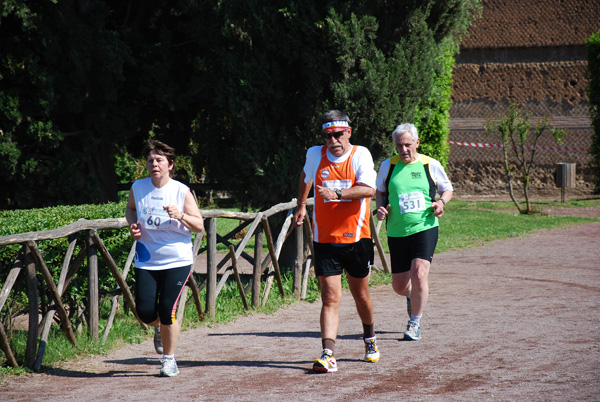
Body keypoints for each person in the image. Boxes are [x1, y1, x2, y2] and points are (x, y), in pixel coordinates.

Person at [293, 110, 379, 373]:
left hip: (356, 237)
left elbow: (369, 189)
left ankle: (370, 338)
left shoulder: (360, 154)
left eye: (338, 134)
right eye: (328, 135)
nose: (333, 140)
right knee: (330, 298)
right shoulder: (314, 154)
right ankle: (328, 354)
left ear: (348, 132)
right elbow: (306, 178)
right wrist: (301, 205)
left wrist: (337, 193)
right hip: (325, 238)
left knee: (360, 295)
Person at [125, 139, 204, 377]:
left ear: (170, 164)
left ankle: (168, 359)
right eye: (150, 160)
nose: (154, 164)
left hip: (177, 260)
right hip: (147, 258)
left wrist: (181, 215)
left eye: (159, 160)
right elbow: (130, 210)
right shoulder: (138, 187)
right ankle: (159, 327)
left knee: (167, 309)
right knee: (146, 312)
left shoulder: (181, 191)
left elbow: (199, 225)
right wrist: (133, 226)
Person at [375, 123, 453, 341]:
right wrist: (380, 207)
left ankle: (414, 323)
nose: (403, 150)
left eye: (408, 145)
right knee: (400, 286)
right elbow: (379, 192)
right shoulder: (387, 166)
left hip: (425, 227)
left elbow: (447, 189)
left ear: (417, 143)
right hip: (398, 231)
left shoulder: (430, 164)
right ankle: (410, 297)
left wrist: (441, 204)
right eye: (399, 145)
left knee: (419, 273)